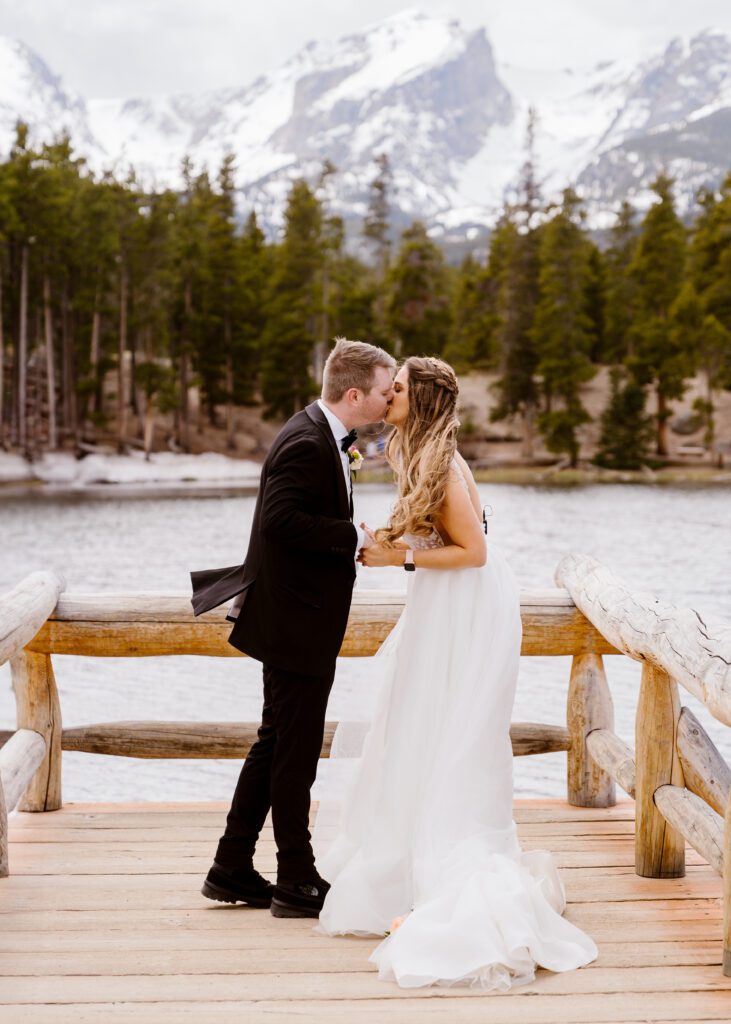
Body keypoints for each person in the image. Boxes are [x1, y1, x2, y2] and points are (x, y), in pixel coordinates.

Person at [314, 355, 598, 989]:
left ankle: (450, 860)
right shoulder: (415, 450)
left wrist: (399, 559)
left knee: (451, 727)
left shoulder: (439, 463)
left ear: (424, 402)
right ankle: (409, 854)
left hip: (470, 606)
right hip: (445, 603)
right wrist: (393, 544)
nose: (388, 396)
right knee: (416, 718)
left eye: (400, 390)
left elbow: (473, 552)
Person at [190, 338, 395, 918]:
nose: (388, 400)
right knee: (294, 753)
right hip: (295, 620)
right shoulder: (308, 441)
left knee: (275, 742)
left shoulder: (319, 432)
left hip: (294, 616)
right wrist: (353, 538)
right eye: (383, 391)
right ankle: (296, 879)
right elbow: (281, 521)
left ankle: (230, 866)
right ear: (354, 394)